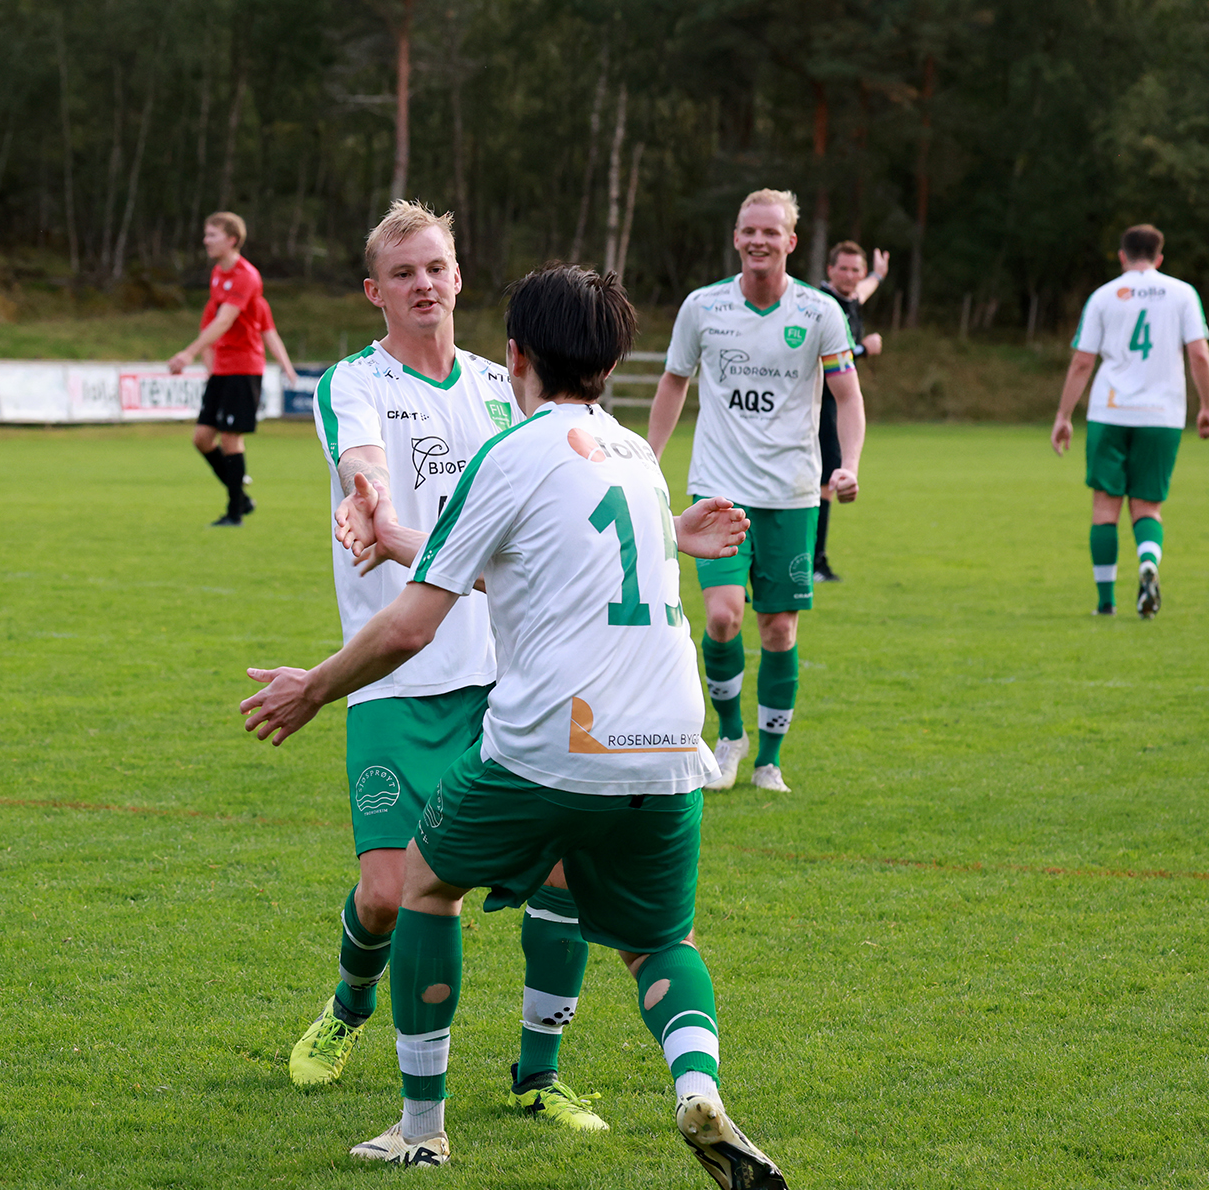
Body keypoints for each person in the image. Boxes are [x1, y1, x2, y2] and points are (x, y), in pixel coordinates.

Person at [243, 263, 786, 1189]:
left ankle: (421, 1127)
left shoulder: (515, 448)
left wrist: (314, 688)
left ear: (516, 356)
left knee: (422, 884)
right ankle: (695, 1086)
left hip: (548, 742)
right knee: (660, 942)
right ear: (615, 361)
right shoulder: (632, 457)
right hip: (670, 750)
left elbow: (413, 622)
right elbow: (527, 561)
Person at [291, 202, 608, 1131]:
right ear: (374, 292)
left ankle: (538, 1074)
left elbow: (570, 486)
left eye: (436, 267)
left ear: (460, 276)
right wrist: (369, 499)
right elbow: (365, 462)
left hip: (508, 680)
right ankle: (348, 1008)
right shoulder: (354, 381)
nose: (423, 284)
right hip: (394, 679)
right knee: (389, 895)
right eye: (403, 273)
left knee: (561, 877)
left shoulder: (502, 385)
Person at [648, 189, 865, 795]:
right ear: (736, 238)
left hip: (793, 493)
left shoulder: (820, 312)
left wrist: (848, 464)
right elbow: (673, 383)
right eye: (749, 231)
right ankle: (729, 737)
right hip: (719, 487)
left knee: (778, 631)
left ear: (791, 242)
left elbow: (847, 397)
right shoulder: (702, 307)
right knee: (722, 617)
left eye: (771, 232)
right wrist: (649, 458)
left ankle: (769, 759)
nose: (758, 241)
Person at [1051, 223, 1209, 618]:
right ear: (1159, 257)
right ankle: (1148, 561)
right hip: (1163, 416)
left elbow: (1083, 361)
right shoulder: (1183, 294)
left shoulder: (1104, 296)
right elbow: (1199, 355)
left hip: (1111, 412)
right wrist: (1206, 405)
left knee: (1105, 507)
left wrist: (1063, 415)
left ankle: (1106, 604)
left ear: (1122, 256)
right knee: (1148, 507)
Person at [167, 212, 292, 526]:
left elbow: (226, 321)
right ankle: (241, 497)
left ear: (231, 239)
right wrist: (208, 360)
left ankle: (235, 512)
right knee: (202, 439)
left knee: (231, 440)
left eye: (212, 235)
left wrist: (188, 353)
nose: (206, 240)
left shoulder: (246, 276)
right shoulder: (217, 275)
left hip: (243, 368)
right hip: (222, 370)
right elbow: (213, 321)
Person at [814, 242, 888, 582]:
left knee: (827, 480)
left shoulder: (850, 298)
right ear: (829, 271)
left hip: (834, 403)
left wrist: (877, 274)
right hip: (819, 403)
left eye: (855, 270)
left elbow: (863, 290)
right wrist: (863, 349)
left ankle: (815, 560)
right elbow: (824, 356)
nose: (850, 276)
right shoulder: (822, 305)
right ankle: (814, 562)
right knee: (823, 482)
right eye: (843, 268)